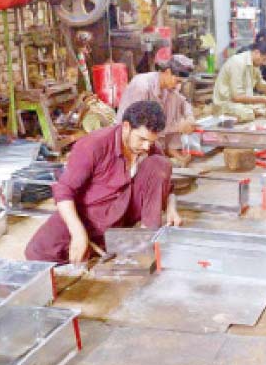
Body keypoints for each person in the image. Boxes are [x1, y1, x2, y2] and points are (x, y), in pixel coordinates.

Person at [25, 100, 181, 265]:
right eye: (142, 139)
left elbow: (167, 184)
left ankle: (148, 237)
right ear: (126, 127)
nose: (147, 146)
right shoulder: (93, 146)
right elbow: (64, 191)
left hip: (122, 213)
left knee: (159, 163)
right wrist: (78, 233)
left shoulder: (149, 147)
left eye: (151, 141)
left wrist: (171, 208)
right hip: (89, 215)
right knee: (37, 253)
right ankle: (96, 243)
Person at [116, 55, 195, 165]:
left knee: (175, 100)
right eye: (177, 81)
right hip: (133, 139)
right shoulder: (142, 86)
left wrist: (189, 117)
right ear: (167, 72)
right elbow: (140, 126)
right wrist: (178, 127)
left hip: (152, 142)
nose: (179, 85)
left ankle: (170, 151)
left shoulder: (170, 88)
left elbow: (184, 103)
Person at [213, 40, 266, 122]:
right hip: (225, 103)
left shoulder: (254, 64)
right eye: (264, 59)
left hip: (240, 103)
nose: (265, 64)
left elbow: (260, 84)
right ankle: (224, 117)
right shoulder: (238, 62)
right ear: (256, 52)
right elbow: (237, 97)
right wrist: (265, 99)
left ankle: (253, 111)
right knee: (248, 113)